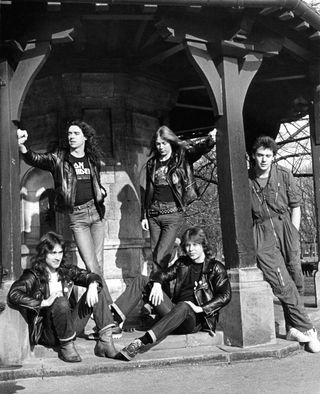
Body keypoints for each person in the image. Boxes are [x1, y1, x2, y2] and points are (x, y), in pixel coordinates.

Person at [16, 122, 113, 307]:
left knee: (97, 263)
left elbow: (95, 183)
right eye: (69, 133)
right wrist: (22, 147)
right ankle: (109, 312)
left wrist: (101, 191)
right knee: (92, 266)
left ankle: (103, 311)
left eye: (76, 133)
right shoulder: (59, 158)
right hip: (78, 217)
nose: (71, 136)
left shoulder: (92, 159)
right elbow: (36, 159)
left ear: (85, 137)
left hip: (97, 213)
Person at [109, 226, 231, 361]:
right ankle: (113, 320)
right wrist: (157, 283)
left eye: (195, 245)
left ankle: (141, 342)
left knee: (184, 305)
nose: (191, 249)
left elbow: (225, 295)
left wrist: (200, 308)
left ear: (203, 245)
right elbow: (164, 275)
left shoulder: (215, 267)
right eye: (188, 245)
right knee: (143, 280)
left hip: (193, 320)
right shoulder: (182, 263)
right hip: (174, 311)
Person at [249, 135, 320, 352]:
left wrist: (295, 232)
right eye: (260, 155)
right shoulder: (245, 179)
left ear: (273, 157)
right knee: (282, 283)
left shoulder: (284, 174)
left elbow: (296, 205)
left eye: (268, 156)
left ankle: (292, 328)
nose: (263, 160)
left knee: (296, 277)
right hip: (262, 233)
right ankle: (309, 330)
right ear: (253, 156)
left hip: (286, 227)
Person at [8, 232, 118, 363]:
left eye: (60, 253)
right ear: (43, 254)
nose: (57, 258)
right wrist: (43, 302)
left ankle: (105, 342)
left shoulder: (65, 270)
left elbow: (90, 276)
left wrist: (93, 284)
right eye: (53, 253)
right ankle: (66, 346)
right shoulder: (33, 275)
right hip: (48, 332)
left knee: (97, 290)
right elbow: (14, 293)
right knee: (60, 300)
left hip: (70, 325)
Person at [141, 126, 216, 293]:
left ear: (171, 142)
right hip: (153, 214)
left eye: (164, 143)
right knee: (158, 257)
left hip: (173, 213)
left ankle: (155, 297)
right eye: (158, 144)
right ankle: (163, 300)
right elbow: (147, 191)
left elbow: (196, 151)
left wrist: (210, 141)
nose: (161, 147)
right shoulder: (152, 163)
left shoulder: (181, 157)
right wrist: (144, 215)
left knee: (160, 256)